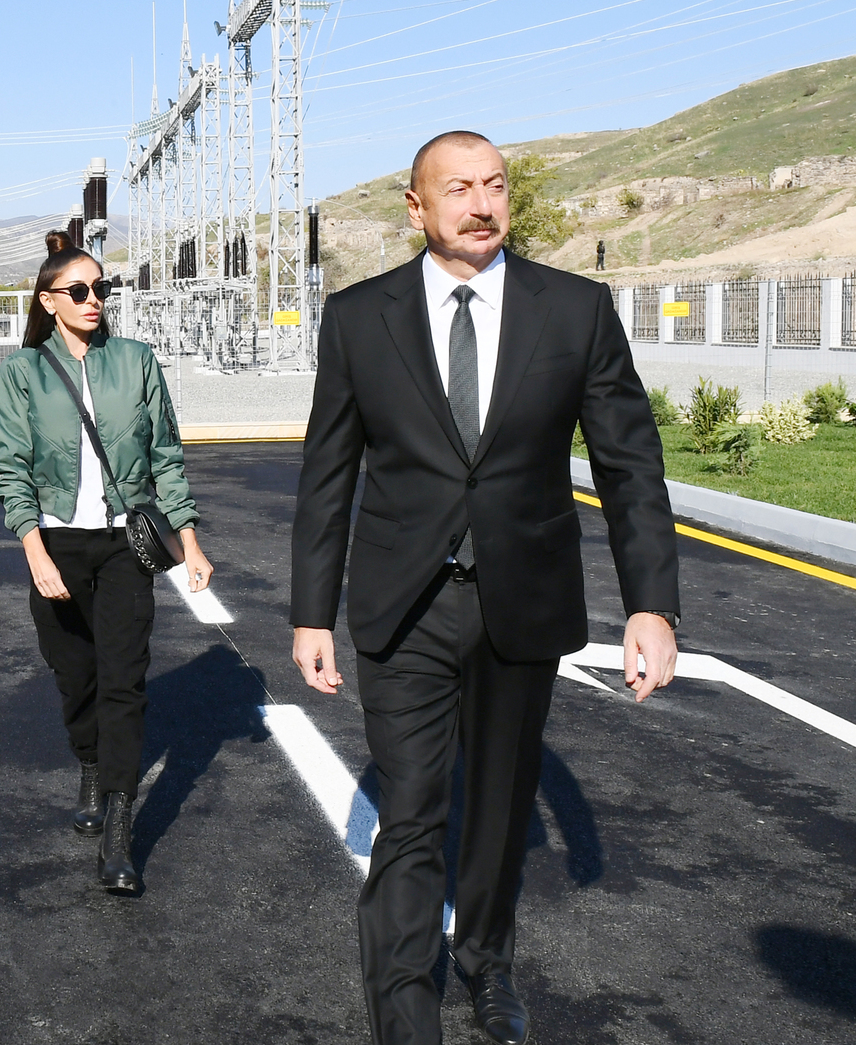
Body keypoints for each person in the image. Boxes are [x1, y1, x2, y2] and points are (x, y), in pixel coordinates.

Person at [289, 131, 681, 1044]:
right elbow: (327, 475)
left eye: (495, 186)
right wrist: (311, 613)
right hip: (404, 604)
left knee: (501, 810)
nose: (481, 204)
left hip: (522, 600)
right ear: (416, 207)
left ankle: (487, 962)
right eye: (459, 188)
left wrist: (651, 604)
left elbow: (629, 465)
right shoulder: (359, 317)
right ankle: (405, 1013)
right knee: (412, 811)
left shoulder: (574, 310)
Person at [0, 233, 213, 894]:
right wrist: (34, 550)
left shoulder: (136, 361)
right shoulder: (23, 372)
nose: (94, 300)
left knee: (124, 680)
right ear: (48, 301)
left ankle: (119, 826)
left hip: (123, 545)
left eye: (101, 289)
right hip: (57, 545)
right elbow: (9, 467)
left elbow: (166, 454)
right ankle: (90, 761)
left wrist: (190, 541)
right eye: (79, 290)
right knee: (75, 676)